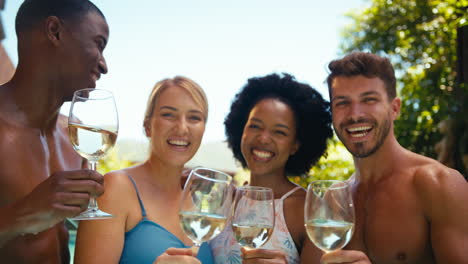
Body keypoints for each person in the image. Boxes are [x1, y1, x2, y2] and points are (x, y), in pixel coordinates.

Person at [321, 52, 468, 264]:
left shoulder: (438, 184)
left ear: (394, 108)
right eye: (342, 103)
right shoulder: (334, 201)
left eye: (369, 100)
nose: (355, 114)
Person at [0, 0, 108, 263]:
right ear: (54, 31)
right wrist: (22, 214)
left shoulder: (73, 139)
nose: (104, 65)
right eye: (99, 44)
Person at [74, 76, 214, 264]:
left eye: (194, 118)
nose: (182, 128)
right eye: (168, 115)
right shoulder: (115, 188)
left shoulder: (203, 201)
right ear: (147, 126)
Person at [210, 73, 333, 264]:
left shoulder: (308, 210)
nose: (263, 138)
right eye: (255, 126)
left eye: (279, 132)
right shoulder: (222, 200)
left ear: (295, 145)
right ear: (241, 129)